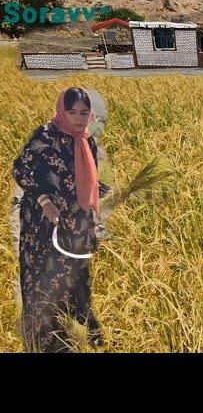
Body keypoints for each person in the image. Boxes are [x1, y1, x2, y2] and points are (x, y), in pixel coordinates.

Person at [13, 87, 110, 352]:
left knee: (77, 273)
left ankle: (83, 324)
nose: (79, 118)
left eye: (84, 112)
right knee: (46, 274)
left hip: (76, 221)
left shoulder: (86, 141)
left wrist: (101, 194)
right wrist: (44, 200)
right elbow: (21, 170)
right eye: (73, 112)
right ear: (62, 111)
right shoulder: (45, 137)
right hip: (44, 223)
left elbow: (85, 180)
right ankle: (46, 337)